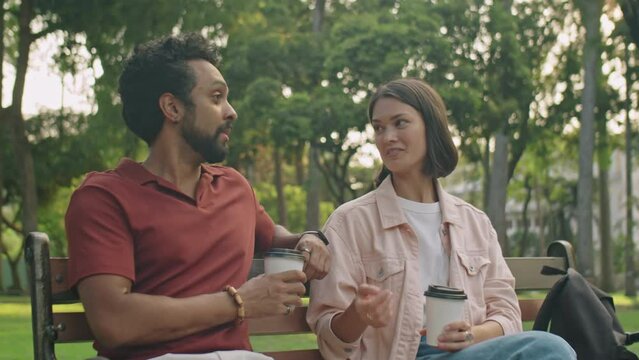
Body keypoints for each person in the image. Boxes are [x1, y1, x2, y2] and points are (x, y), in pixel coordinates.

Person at [65, 33, 331, 360]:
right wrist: (238, 302)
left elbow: (272, 236)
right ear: (172, 107)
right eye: (217, 97)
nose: (231, 111)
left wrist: (306, 240)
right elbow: (114, 321)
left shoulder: (234, 187)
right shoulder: (103, 198)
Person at [306, 78, 575, 360]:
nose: (387, 137)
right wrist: (358, 315)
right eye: (379, 128)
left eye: (400, 123)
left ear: (431, 127)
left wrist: (471, 334)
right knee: (550, 349)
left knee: (549, 348)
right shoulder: (350, 222)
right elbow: (329, 336)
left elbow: (506, 313)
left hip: (469, 352)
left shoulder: (474, 223)